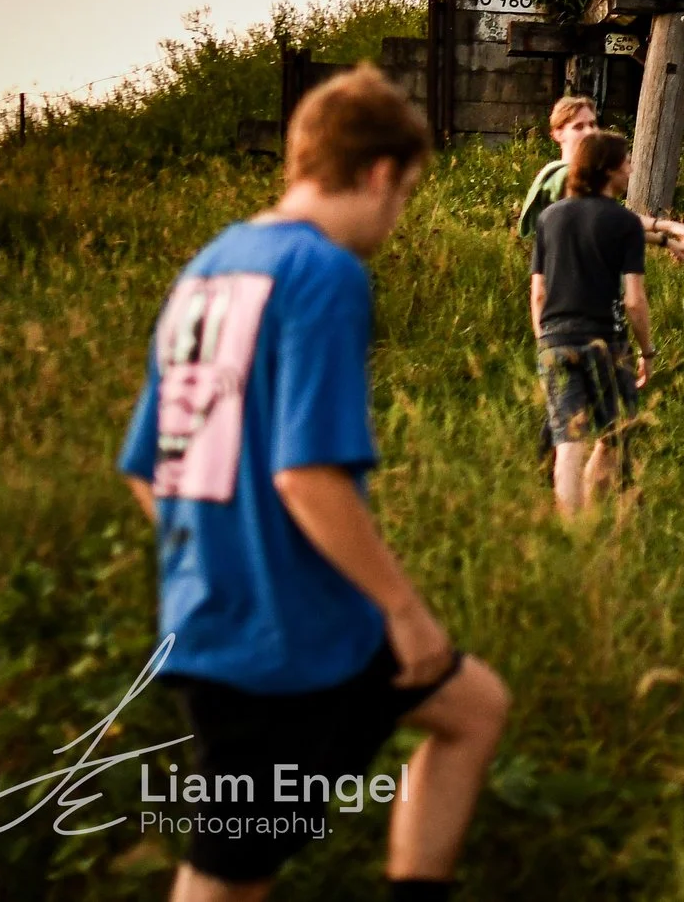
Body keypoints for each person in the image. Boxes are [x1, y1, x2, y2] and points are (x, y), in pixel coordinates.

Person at [116, 65, 508, 902]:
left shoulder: (213, 267)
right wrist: (404, 610)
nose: (398, 218)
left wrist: (214, 566)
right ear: (377, 174)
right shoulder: (324, 273)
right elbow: (306, 474)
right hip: (286, 640)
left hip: (224, 614)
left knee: (472, 707)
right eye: (404, 193)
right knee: (226, 877)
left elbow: (153, 468)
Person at [530, 128, 651, 517]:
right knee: (615, 434)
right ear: (609, 169)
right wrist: (647, 350)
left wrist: (544, 341)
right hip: (604, 343)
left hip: (553, 340)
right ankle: (593, 518)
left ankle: (571, 530)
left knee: (568, 441)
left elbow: (538, 294)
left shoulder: (549, 218)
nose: (631, 168)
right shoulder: (624, 223)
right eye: (627, 161)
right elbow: (633, 300)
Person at [515, 93, 684, 259]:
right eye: (578, 127)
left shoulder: (583, 175)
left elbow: (610, 221)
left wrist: (666, 240)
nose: (589, 131)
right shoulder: (562, 175)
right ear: (558, 134)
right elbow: (609, 219)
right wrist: (668, 227)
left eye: (592, 124)